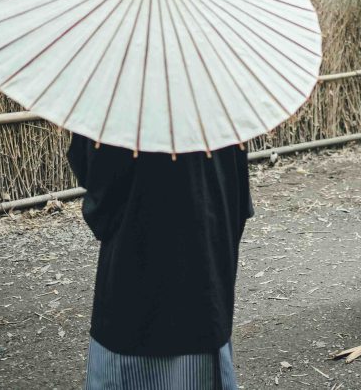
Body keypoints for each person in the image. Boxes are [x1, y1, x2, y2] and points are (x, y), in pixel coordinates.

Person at [67, 133, 253, 389]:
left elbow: (100, 206)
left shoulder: (119, 108)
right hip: (205, 295)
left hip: (132, 296)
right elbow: (240, 204)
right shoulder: (221, 110)